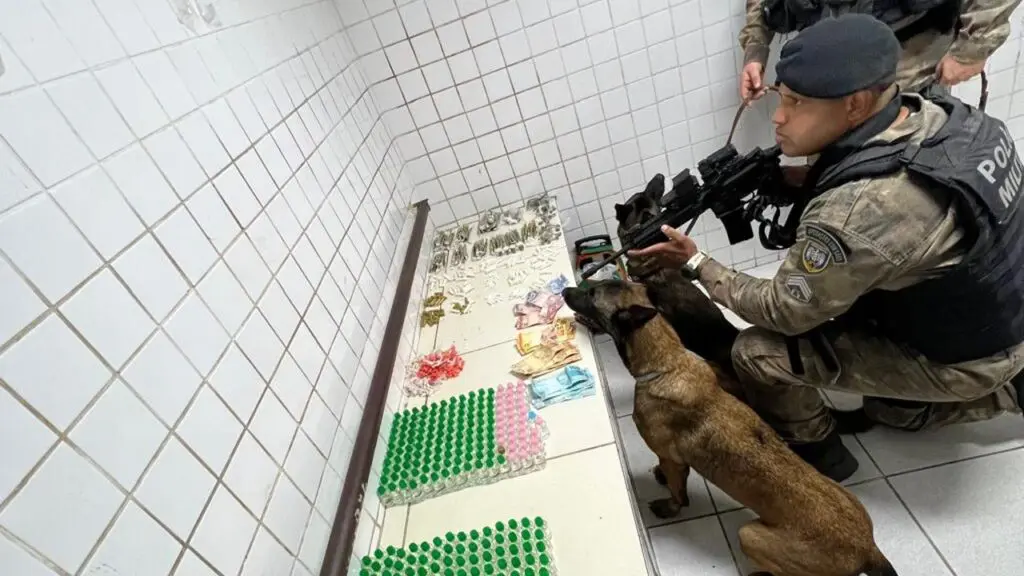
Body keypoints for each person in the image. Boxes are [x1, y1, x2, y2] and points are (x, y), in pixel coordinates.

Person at [632, 14, 1024, 482]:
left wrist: (695, 262)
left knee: (759, 353)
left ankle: (818, 448)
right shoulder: (942, 117)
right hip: (994, 310)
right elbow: (882, 194)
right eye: (781, 97)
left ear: (855, 104)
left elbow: (782, 311)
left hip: (971, 358)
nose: (777, 117)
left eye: (796, 103)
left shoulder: (856, 213)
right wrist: (791, 181)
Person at [738, 0, 1021, 101]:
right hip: (825, 68)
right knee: (836, 179)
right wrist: (755, 49)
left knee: (906, 184)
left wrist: (973, 47)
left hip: (905, 60)